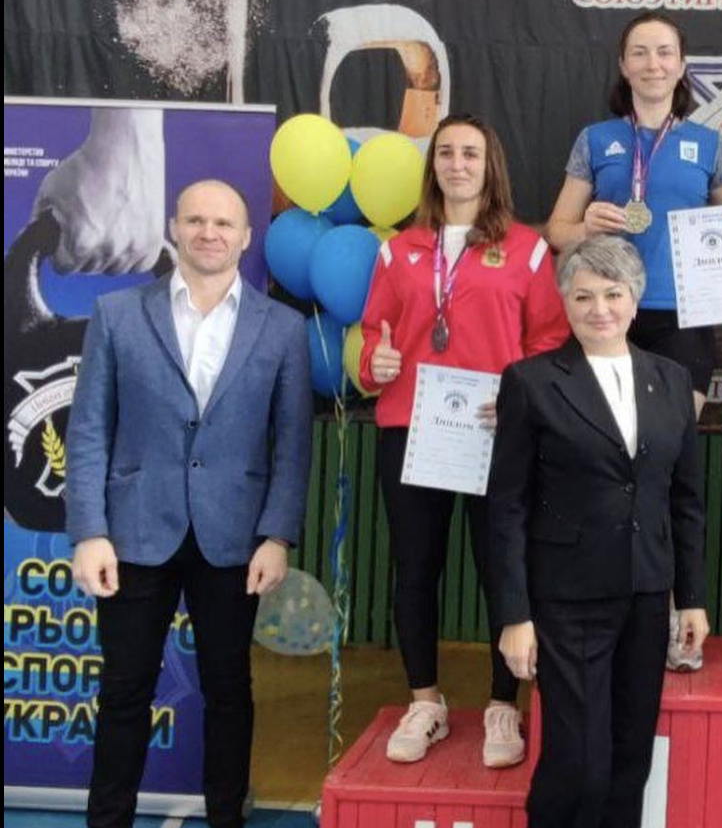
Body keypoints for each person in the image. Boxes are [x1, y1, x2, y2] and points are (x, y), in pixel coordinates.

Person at [64, 179, 312, 828]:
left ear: (246, 237)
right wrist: (89, 530)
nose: (209, 233)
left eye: (223, 223)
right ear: (174, 228)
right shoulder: (117, 314)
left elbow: (293, 444)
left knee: (230, 692)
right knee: (123, 692)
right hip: (133, 533)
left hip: (235, 539)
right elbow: (88, 428)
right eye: (196, 220)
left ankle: (226, 818)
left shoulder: (282, 329)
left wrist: (277, 536)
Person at [545, 9, 722, 671]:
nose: (652, 63)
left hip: (684, 323)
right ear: (623, 64)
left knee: (662, 467)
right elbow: (556, 231)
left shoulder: (708, 144)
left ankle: (673, 615)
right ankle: (606, 609)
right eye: (639, 52)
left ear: (681, 64)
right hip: (610, 317)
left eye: (664, 52)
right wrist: (586, 226)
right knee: (607, 467)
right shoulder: (596, 140)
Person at [358, 113, 569, 767]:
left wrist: (518, 399)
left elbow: (550, 339)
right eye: (446, 152)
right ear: (433, 167)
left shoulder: (528, 249)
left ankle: (504, 702)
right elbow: (373, 336)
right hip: (411, 429)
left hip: (494, 432)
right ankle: (426, 701)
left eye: (470, 153)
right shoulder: (398, 250)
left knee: (502, 567)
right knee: (415, 568)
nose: (457, 164)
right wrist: (373, 365)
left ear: (490, 166)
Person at [489, 236, 708, 828]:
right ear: (565, 302)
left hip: (646, 593)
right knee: (578, 762)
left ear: (635, 300)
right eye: (583, 295)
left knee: (630, 757)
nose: (600, 308)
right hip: (567, 598)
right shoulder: (531, 382)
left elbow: (686, 500)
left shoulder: (671, 380)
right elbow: (506, 507)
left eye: (613, 294)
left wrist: (691, 597)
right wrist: (514, 615)